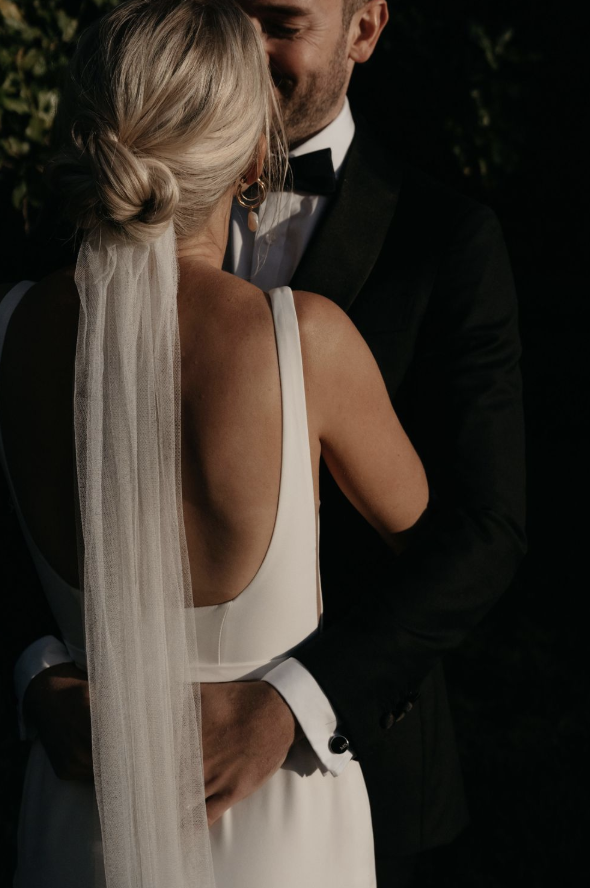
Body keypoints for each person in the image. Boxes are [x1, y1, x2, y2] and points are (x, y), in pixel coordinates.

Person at [1, 0, 526, 886]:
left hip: (304, 760)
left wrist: (298, 699)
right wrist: (34, 671)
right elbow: (421, 522)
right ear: (246, 153)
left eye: (279, 22)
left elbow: (483, 533)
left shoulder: (447, 239)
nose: (246, 48)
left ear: (364, 30)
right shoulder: (304, 339)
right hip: (101, 766)